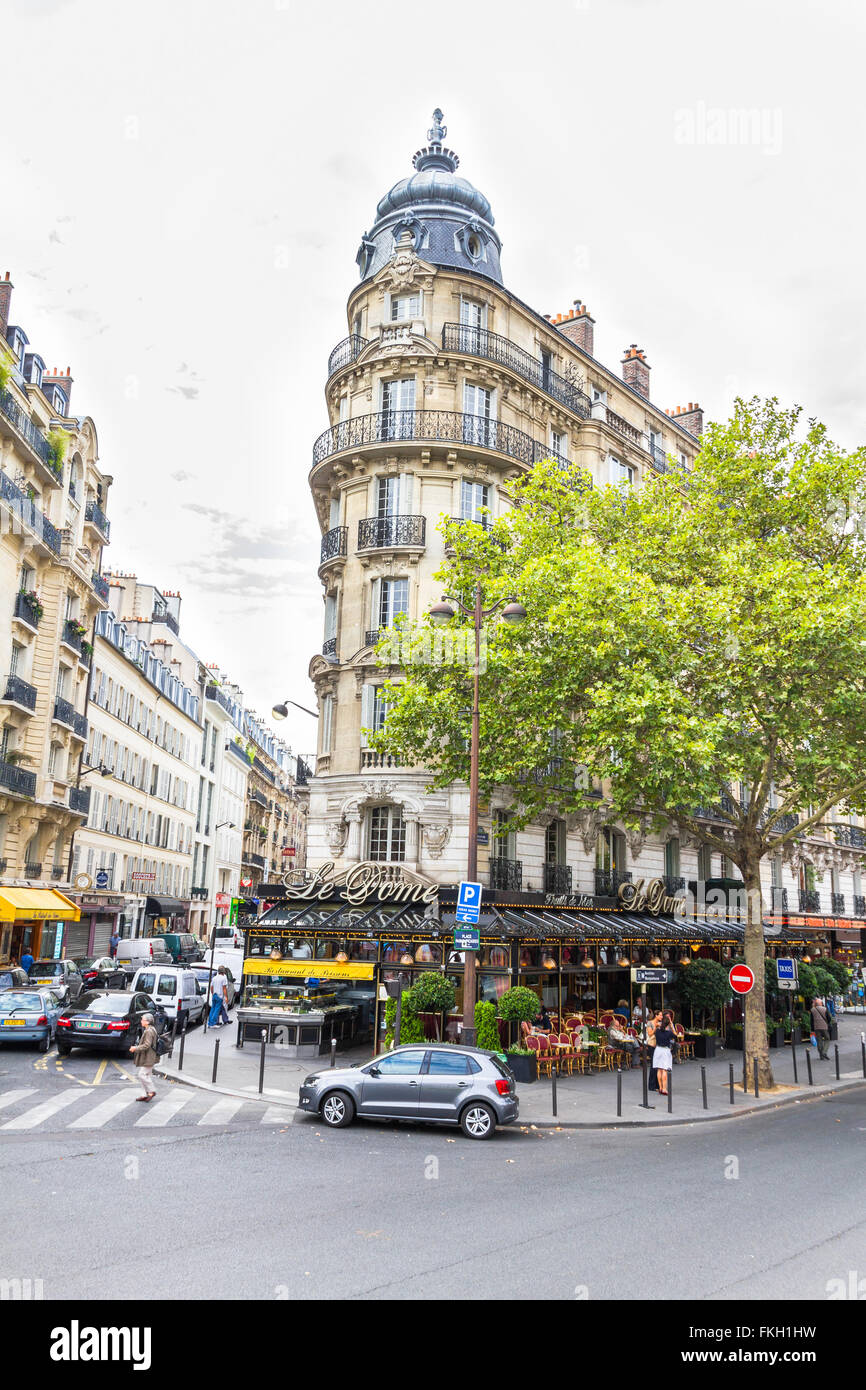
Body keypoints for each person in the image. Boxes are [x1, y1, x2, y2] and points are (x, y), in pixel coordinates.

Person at [130, 1012, 158, 1102]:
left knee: (141, 1075)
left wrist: (135, 1048)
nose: (141, 1021)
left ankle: (151, 1091)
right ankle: (144, 1094)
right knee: (146, 1075)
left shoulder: (149, 1031)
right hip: (149, 1056)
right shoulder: (150, 1029)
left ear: (147, 1022)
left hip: (149, 1057)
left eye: (143, 1020)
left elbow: (147, 1045)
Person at [653, 1012, 676, 1095]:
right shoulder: (669, 1033)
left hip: (658, 1049)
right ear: (668, 1024)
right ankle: (664, 1088)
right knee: (664, 1070)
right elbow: (675, 1036)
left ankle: (660, 1087)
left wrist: (658, 1026)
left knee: (659, 1069)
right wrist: (672, 1026)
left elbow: (654, 1032)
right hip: (665, 1050)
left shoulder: (658, 1031)